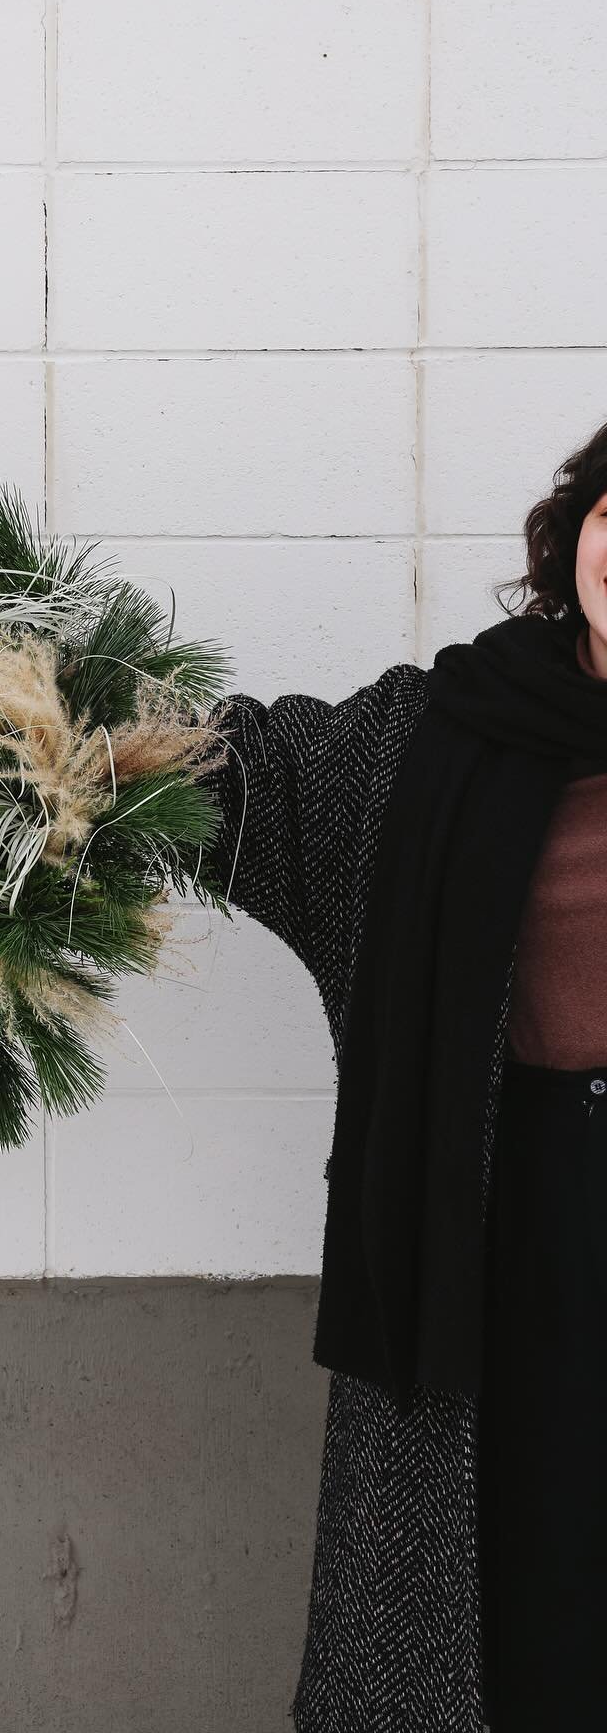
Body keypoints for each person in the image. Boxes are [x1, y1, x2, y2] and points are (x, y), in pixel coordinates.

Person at [193, 418, 607, 1731]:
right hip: (509, 1217)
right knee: (530, 1573)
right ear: (578, 532)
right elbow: (257, 784)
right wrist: (42, 715)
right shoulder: (451, 737)